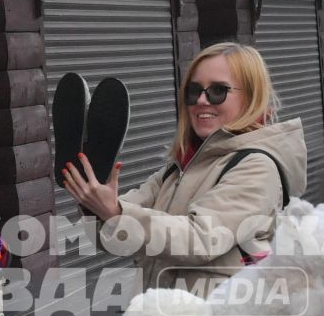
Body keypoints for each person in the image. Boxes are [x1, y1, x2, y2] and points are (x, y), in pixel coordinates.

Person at [62, 42, 307, 296]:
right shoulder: (180, 166)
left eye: (217, 91)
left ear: (251, 96)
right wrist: (94, 204)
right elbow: (116, 237)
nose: (201, 100)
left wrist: (116, 212)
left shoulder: (256, 166)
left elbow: (201, 239)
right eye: (193, 91)